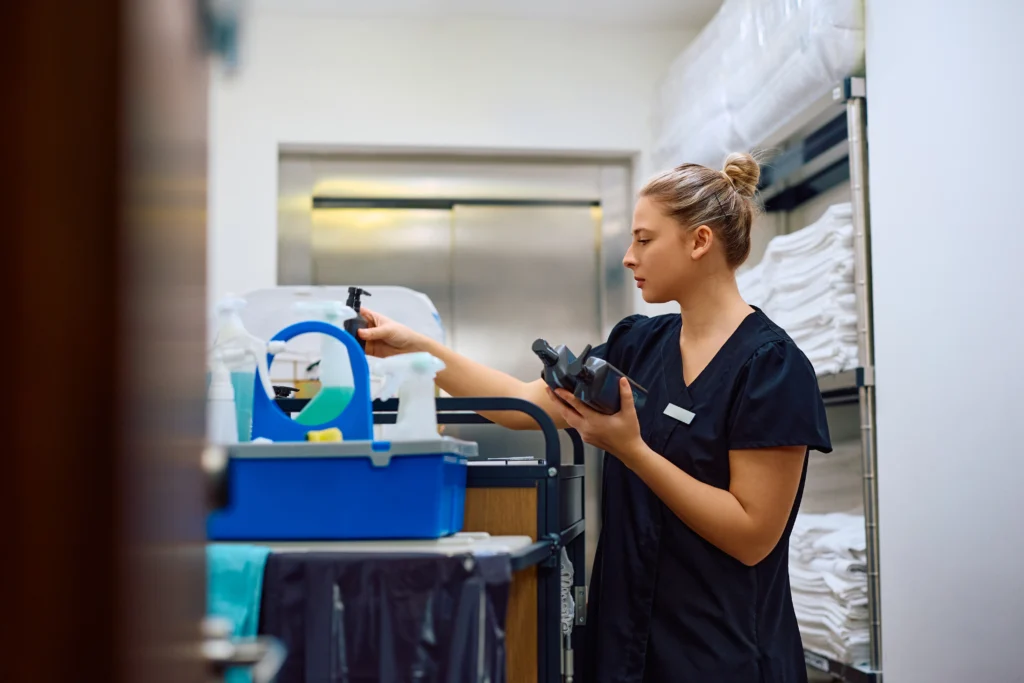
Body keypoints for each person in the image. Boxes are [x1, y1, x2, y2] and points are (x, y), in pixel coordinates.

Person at [357, 152, 832, 683]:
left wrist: (632, 450)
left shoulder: (771, 367)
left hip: (726, 655)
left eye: (645, 240)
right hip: (624, 646)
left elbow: (750, 534)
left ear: (699, 242)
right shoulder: (637, 344)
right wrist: (416, 349)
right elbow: (519, 405)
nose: (629, 257)